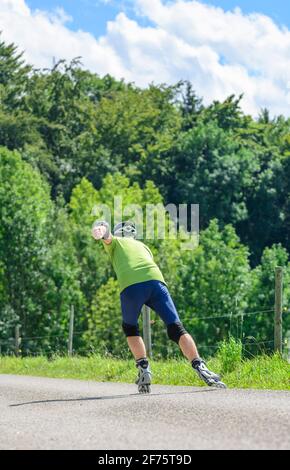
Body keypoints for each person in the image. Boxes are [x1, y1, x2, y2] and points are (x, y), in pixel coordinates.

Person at [92, 220, 226, 393]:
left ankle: (143, 368)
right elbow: (144, 276)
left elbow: (107, 235)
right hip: (156, 281)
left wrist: (100, 230)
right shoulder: (143, 246)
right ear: (134, 234)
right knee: (176, 328)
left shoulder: (117, 243)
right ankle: (199, 365)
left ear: (120, 234)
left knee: (130, 328)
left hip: (130, 286)